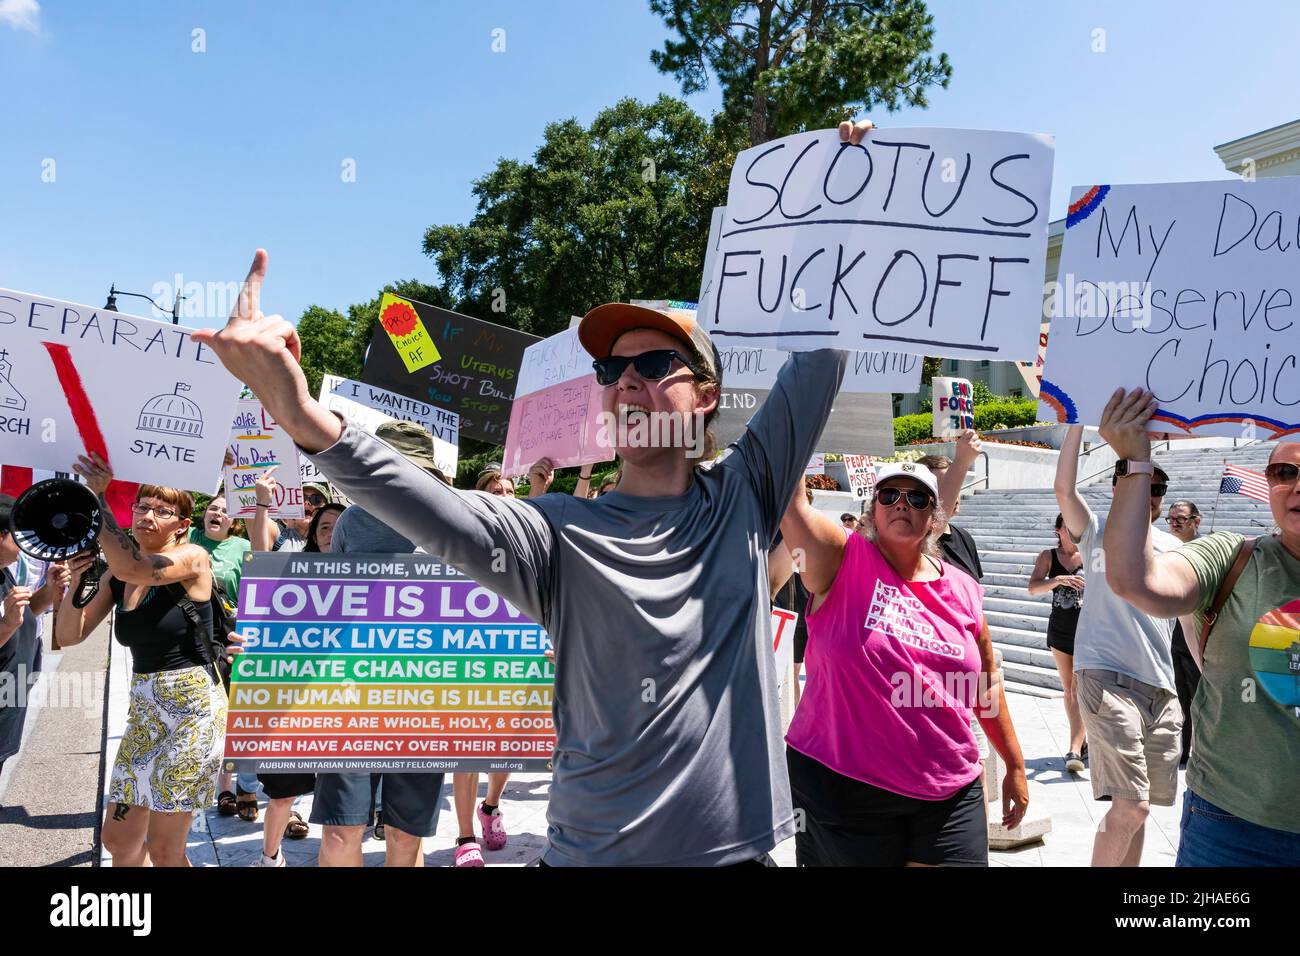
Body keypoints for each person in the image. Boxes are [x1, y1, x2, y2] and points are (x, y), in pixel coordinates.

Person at [195, 122, 875, 865]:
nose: (629, 382)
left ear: (708, 396)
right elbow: (433, 508)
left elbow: (827, 341)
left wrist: (848, 186)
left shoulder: (745, 495)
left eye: (655, 363)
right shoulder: (555, 529)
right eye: (612, 373)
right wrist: (301, 419)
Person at [779, 463, 1028, 866]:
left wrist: (1015, 765)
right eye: (889, 495)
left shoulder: (964, 587)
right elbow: (794, 509)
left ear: (934, 517)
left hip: (949, 787)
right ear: (873, 509)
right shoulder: (840, 559)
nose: (901, 504)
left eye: (916, 498)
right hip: (844, 787)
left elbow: (984, 684)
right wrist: (801, 412)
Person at [1098, 389, 1299, 866]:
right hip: (1233, 829)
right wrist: (1134, 464)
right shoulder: (1231, 556)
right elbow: (1134, 580)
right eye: (1283, 472)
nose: (1297, 485)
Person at [55, 465, 226, 867]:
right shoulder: (118, 576)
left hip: (193, 712)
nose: (148, 516)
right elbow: (69, 635)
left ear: (183, 525)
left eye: (162, 511)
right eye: (143, 507)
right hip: (147, 713)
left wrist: (96, 501)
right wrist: (77, 583)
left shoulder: (192, 557)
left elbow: (137, 569)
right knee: (118, 839)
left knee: (167, 850)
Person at [310, 421, 450, 868]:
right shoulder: (352, 521)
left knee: (405, 837)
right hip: (350, 695)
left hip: (425, 698)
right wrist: (270, 641)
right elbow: (331, 600)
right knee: (338, 832)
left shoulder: (454, 519)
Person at [1054, 423, 1182, 867]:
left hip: (1161, 688)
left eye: (1156, 486)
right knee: (1133, 804)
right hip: (1106, 676)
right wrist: (1073, 423)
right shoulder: (1097, 531)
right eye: (1134, 476)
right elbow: (1064, 489)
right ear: (1114, 485)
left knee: (1141, 809)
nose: (1147, 491)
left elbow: (1190, 621)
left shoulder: (1177, 548)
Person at [452, 456, 552, 866]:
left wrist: (539, 491)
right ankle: (463, 838)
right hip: (471, 653)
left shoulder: (530, 545)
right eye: (497, 492)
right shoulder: (461, 539)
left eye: (512, 492)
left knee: (505, 745)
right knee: (465, 747)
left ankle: (490, 806)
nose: (506, 498)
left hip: (519, 658)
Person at [0, 495, 64, 778]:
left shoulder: (4, 573)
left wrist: (50, 590)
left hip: (11, 689)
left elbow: (28, 614)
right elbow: (11, 623)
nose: (24, 544)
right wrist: (6, 625)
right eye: (17, 536)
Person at [1027, 514, 1086, 771]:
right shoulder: (1048, 556)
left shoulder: (1091, 553)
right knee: (1069, 688)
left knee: (1081, 688)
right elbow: (1033, 588)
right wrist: (1057, 580)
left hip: (1091, 630)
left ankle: (1076, 746)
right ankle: (1078, 743)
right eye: (1068, 527)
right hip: (1061, 630)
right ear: (1058, 530)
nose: (1073, 531)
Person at [1164, 500, 1203, 765]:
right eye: (1170, 519)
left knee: (1198, 698)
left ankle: (1201, 750)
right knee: (1179, 697)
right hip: (1172, 634)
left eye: (1180, 519)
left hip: (1198, 636)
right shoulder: (1167, 550)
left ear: (1195, 521)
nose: (1174, 524)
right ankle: (1183, 748)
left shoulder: (1205, 551)